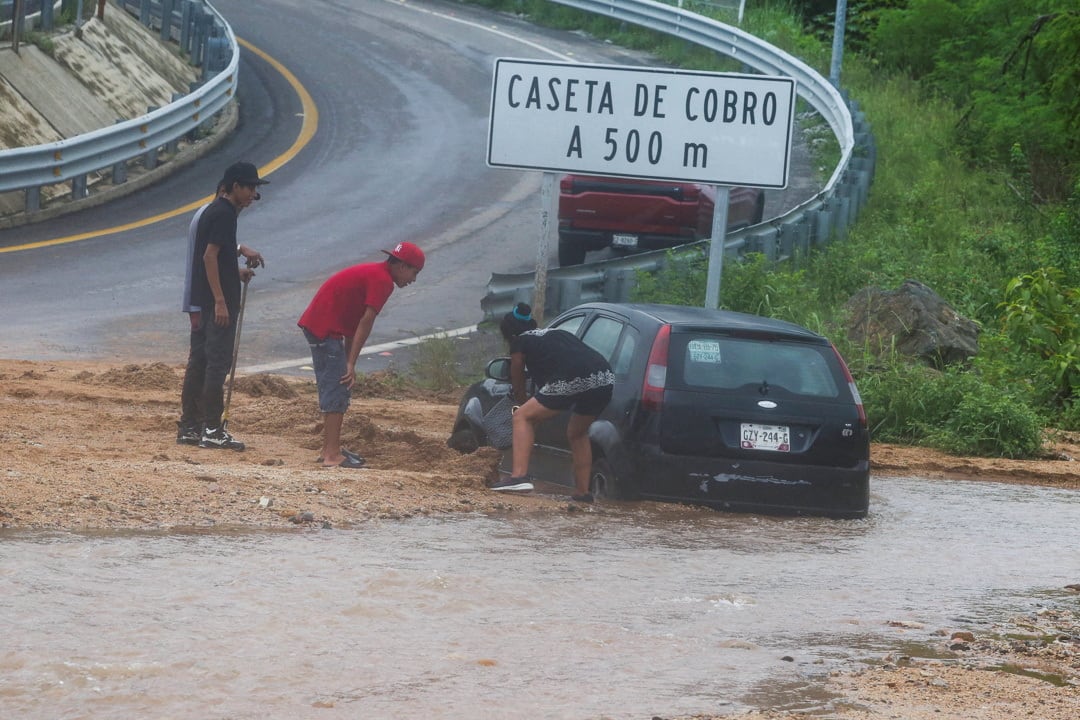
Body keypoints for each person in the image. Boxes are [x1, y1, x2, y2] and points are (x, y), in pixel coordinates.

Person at [298, 241, 426, 469]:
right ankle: (331, 456)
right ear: (402, 266)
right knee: (336, 386)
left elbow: (353, 322)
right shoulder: (383, 281)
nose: (413, 279)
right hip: (324, 327)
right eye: (414, 272)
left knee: (338, 384)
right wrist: (350, 363)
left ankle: (330, 448)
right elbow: (366, 323)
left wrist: (348, 361)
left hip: (324, 325)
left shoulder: (377, 274)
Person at [178, 161, 268, 451]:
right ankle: (213, 428)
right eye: (249, 187)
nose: (253, 193)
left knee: (200, 362)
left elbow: (217, 258)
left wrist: (234, 271)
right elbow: (209, 256)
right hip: (216, 303)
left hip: (204, 299)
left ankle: (190, 425)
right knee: (216, 364)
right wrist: (220, 300)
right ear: (234, 187)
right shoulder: (225, 214)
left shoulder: (213, 211)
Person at [495, 302, 616, 502]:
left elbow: (517, 378)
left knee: (521, 416)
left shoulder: (520, 342)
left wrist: (524, 404)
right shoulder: (556, 334)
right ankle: (583, 493)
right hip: (604, 376)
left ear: (510, 334)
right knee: (577, 433)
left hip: (574, 375)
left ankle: (518, 477)